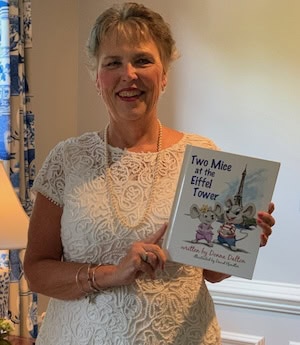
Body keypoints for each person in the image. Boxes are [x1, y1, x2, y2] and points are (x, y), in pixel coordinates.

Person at [24, 3, 275, 345]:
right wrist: (111, 275)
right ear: (97, 78)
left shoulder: (202, 156)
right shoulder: (67, 159)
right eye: (113, 62)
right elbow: (37, 271)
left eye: (142, 60)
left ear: (165, 74)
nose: (129, 75)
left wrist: (245, 241)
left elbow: (213, 272)